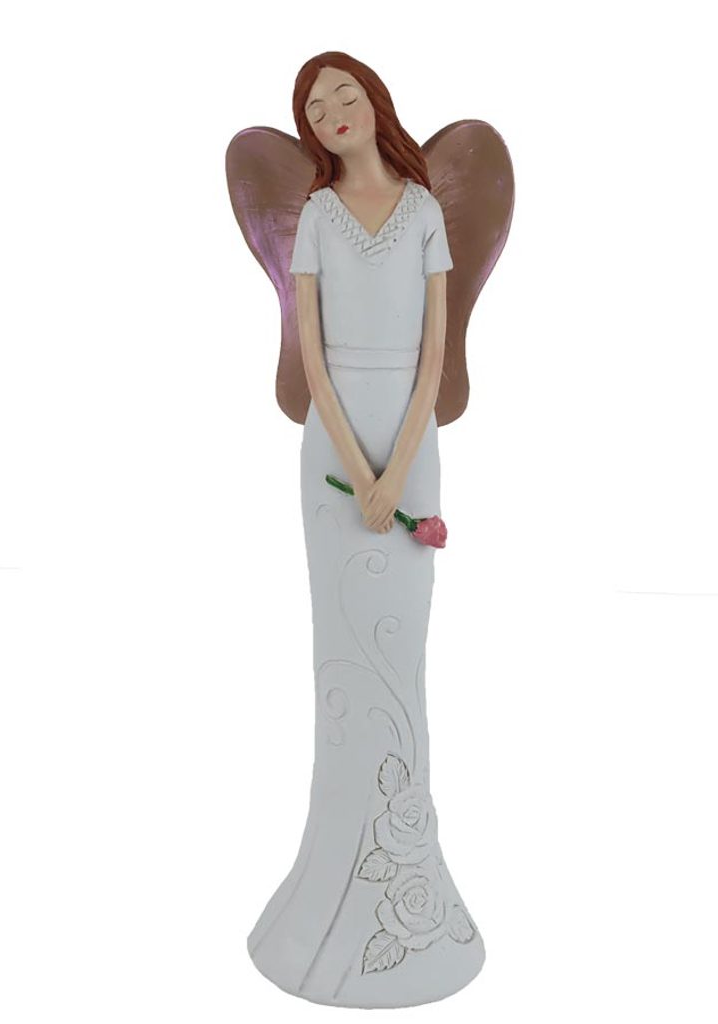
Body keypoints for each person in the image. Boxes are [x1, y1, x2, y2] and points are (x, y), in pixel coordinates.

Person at [246, 52, 485, 1009]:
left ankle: (406, 877)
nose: (333, 111)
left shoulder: (424, 210)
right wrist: (357, 463)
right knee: (342, 648)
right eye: (316, 106)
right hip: (334, 441)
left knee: (402, 648)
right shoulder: (315, 216)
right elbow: (311, 349)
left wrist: (399, 468)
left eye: (345, 94)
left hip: (411, 440)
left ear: (375, 104)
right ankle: (327, 888)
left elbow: (434, 350)